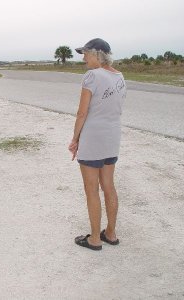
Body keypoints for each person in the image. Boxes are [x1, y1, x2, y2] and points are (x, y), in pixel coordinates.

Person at [68, 38, 127, 251]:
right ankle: (110, 233)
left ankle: (94, 238)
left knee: (91, 189)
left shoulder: (92, 76)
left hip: (93, 139)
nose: (83, 58)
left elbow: (82, 112)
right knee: (109, 186)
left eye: (85, 53)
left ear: (97, 54)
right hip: (112, 137)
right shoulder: (119, 76)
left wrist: (75, 139)